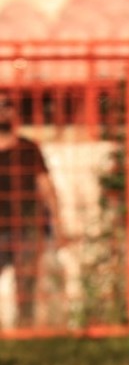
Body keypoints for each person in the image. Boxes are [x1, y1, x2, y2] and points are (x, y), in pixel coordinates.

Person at [0, 95, 62, 329]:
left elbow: (46, 186)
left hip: (25, 227)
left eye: (6, 106)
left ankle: (25, 333)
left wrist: (58, 222)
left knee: (26, 286)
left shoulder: (28, 148)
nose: (1, 111)